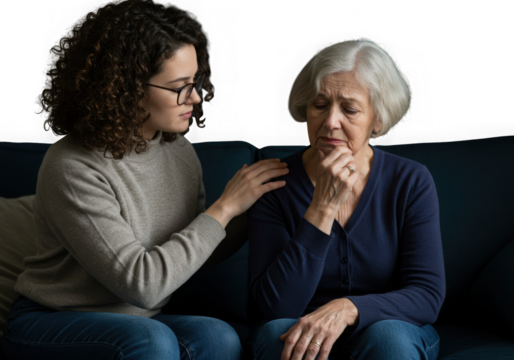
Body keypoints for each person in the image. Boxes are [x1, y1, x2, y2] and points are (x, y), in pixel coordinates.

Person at [2, 0, 289, 359]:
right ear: (127, 86)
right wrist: (225, 205)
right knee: (150, 341)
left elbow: (186, 254)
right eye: (180, 86)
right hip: (52, 322)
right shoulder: (73, 165)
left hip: (143, 321)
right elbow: (144, 285)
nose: (196, 97)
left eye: (196, 80)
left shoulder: (179, 150)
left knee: (218, 336)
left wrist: (257, 208)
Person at [245, 38, 445, 360]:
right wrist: (322, 207)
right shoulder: (275, 183)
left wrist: (350, 308)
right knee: (278, 334)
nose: (330, 122)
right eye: (320, 105)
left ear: (376, 120)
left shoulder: (410, 180)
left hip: (385, 327)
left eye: (349, 109)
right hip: (298, 328)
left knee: (390, 338)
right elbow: (274, 306)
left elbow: (427, 295)